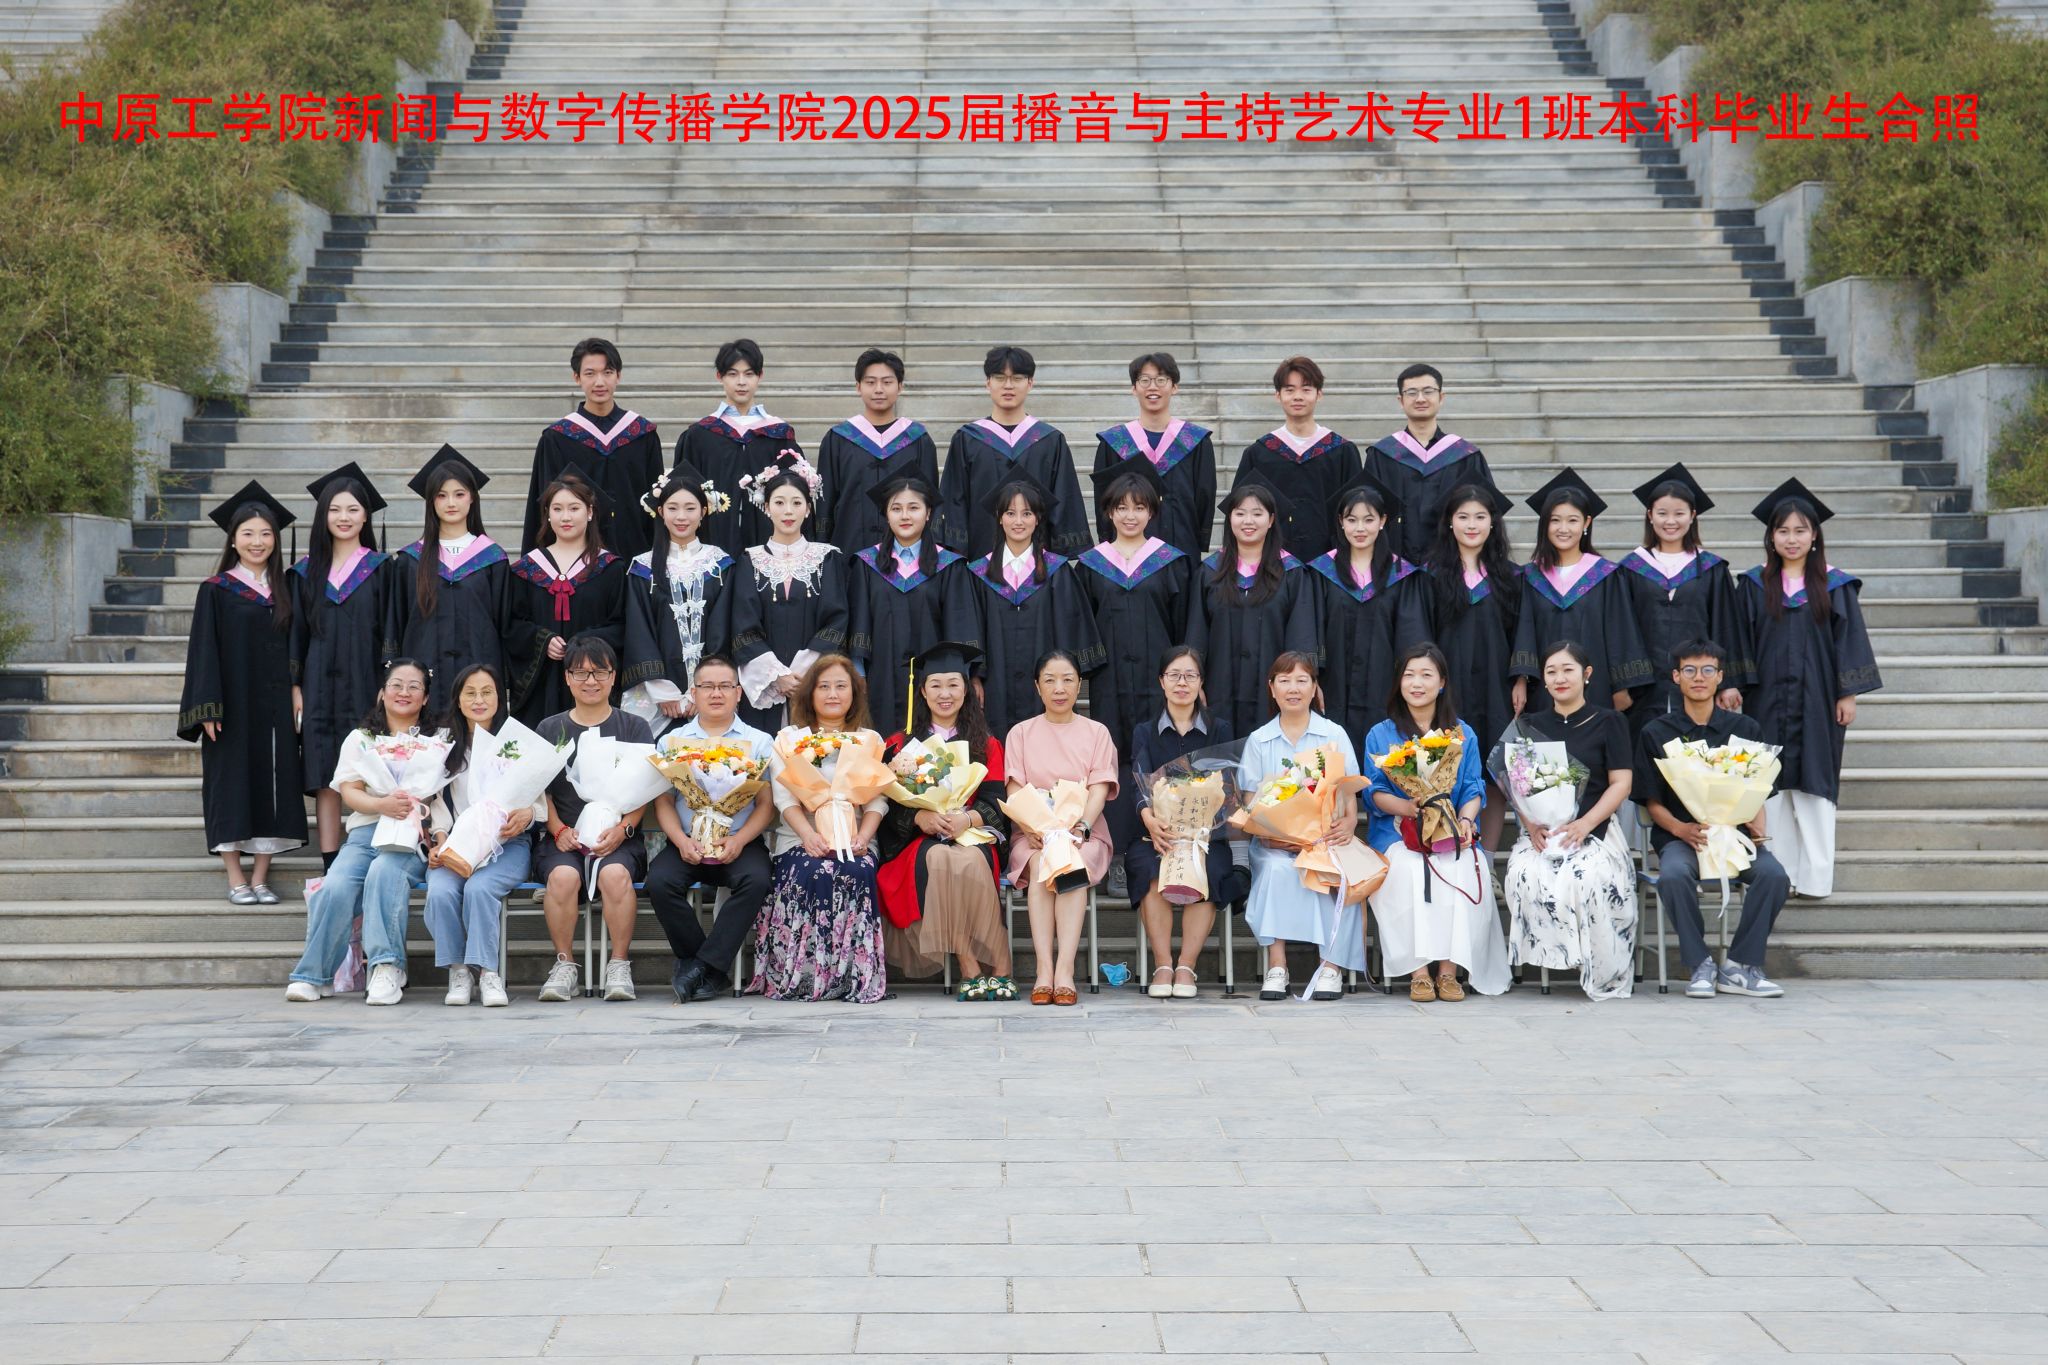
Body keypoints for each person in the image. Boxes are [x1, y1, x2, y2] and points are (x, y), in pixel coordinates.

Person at [1736, 479, 1881, 900]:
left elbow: (1849, 641)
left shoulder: (1835, 586)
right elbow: (1739, 641)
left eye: (1800, 530)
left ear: (1814, 535)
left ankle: (1816, 879)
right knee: (1770, 786)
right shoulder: (1754, 585)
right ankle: (1778, 877)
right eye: (1783, 530)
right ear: (1771, 536)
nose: (1792, 539)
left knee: (1815, 787)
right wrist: (1734, 685)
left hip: (1818, 701)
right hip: (1765, 699)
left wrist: (1847, 692)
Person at [1636, 638, 1791, 999]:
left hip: (1735, 835)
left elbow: (1758, 789)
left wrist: (1757, 826)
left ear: (1720, 676)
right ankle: (1700, 964)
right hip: (1681, 838)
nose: (1699, 677)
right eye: (1689, 670)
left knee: (1774, 876)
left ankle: (1740, 966)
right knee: (1673, 876)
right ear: (1676, 676)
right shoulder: (1656, 732)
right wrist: (1681, 829)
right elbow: (1650, 801)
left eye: (1708, 670)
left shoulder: (1745, 729)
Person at [179, 481, 307, 905]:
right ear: (233, 539)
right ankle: (236, 877)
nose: (258, 541)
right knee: (231, 784)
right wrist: (207, 707)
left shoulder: (287, 587)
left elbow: (297, 643)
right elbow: (203, 651)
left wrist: (295, 688)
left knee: (274, 783)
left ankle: (261, 877)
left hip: (275, 704)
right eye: (248, 533)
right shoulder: (216, 589)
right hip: (231, 705)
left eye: (266, 533)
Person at [284, 658, 439, 1005]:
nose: (404, 692)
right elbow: (349, 790)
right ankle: (314, 975)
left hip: (412, 835)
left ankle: (386, 967)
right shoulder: (361, 738)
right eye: (396, 685)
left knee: (385, 873)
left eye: (414, 686)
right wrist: (380, 805)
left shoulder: (438, 740)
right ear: (382, 692)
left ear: (426, 697)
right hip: (366, 832)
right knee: (336, 885)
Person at [1364, 644, 1510, 1000]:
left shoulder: (1462, 734)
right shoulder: (1380, 734)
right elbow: (1374, 792)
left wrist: (1465, 820)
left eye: (1426, 675)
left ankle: (1448, 971)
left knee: (1463, 866)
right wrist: (1407, 806)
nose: (1417, 683)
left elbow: (1473, 787)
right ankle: (1419, 972)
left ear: (1442, 682)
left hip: (1451, 830)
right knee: (1408, 870)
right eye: (1409, 675)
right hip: (1398, 831)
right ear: (1399, 682)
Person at [1076, 458, 1192, 895]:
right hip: (1109, 681)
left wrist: (1182, 675)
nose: (1130, 515)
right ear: (1108, 512)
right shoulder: (1092, 565)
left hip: (1159, 680)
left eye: (1139, 507)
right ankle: (1121, 853)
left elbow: (1183, 624)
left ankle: (1170, 845)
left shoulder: (1171, 562)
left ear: (1152, 511)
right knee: (1115, 761)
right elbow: (1082, 621)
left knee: (1160, 755)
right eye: (1121, 507)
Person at [1500, 642, 1639, 1001]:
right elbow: (1517, 785)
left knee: (1587, 877)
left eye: (1568, 670)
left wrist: (1584, 824)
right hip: (1543, 832)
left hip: (1595, 831)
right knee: (1524, 873)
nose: (1559, 678)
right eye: (1551, 672)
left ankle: (1600, 967)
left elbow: (1621, 783)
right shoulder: (1528, 725)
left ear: (1586, 674)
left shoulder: (1610, 721)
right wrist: (1530, 824)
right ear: (1543, 680)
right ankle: (1555, 956)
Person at [877, 642, 1015, 1000]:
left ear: (966, 690)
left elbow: (996, 803)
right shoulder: (900, 745)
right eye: (936, 685)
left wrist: (968, 819)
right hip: (919, 841)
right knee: (939, 858)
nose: (945, 694)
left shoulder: (986, 744)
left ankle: (1000, 963)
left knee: (969, 860)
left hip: (972, 834)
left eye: (953, 684)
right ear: (922, 691)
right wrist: (920, 816)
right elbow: (887, 806)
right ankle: (970, 965)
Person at [752, 655, 891, 1002]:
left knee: (857, 870)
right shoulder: (789, 739)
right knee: (813, 870)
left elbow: (877, 801)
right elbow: (785, 800)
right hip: (799, 837)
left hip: (856, 837)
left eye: (841, 686)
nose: (832, 694)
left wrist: (864, 836)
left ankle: (852, 976)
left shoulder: (869, 739)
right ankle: (804, 976)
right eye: (824, 686)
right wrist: (808, 836)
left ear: (854, 693)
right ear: (810, 693)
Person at [644, 655, 776, 1003]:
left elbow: (765, 805)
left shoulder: (760, 742)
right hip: (686, 843)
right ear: (694, 692)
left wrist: (740, 840)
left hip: (739, 842)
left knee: (757, 880)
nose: (716, 693)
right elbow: (664, 802)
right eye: (707, 686)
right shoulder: (672, 741)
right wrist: (680, 841)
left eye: (725, 686)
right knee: (659, 882)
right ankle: (708, 968)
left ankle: (700, 967)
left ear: (738, 693)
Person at [1239, 652, 1364, 1002]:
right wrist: (1277, 836)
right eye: (1284, 681)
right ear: (1272, 688)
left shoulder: (1333, 734)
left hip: (1328, 841)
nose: (1293, 688)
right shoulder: (1259, 740)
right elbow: (1250, 804)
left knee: (1336, 872)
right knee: (1276, 870)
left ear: (1314, 688)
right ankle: (1277, 966)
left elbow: (1348, 793)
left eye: (1301, 680)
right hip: (1274, 844)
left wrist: (1348, 823)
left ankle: (1331, 966)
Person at [289, 463, 395, 872]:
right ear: (323, 516)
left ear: (365, 516)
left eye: (352, 509)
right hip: (318, 685)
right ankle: (331, 866)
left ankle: (371, 859)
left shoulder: (382, 568)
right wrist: (296, 684)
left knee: (370, 770)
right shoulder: (304, 573)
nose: (344, 517)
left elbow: (391, 629)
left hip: (366, 681)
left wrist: (387, 681)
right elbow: (296, 633)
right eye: (335, 510)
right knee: (325, 776)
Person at [534, 636, 652, 1003]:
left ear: (613, 677)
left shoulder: (634, 727)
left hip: (619, 838)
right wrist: (558, 830)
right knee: (563, 877)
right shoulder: (550, 729)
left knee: (614, 875)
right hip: (563, 838)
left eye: (599, 672)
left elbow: (645, 790)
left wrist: (623, 830)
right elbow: (539, 791)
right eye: (581, 673)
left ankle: (618, 965)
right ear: (567, 678)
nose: (590, 681)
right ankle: (564, 965)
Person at [1128, 647, 1248, 999]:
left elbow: (1228, 788)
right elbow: (1139, 781)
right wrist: (1149, 818)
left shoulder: (1219, 729)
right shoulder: (1145, 731)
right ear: (1161, 682)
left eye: (1190, 676)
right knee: (1149, 869)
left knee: (1209, 869)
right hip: (1159, 834)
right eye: (1174, 675)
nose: (1182, 683)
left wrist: (1203, 826)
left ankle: (1186, 966)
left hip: (1206, 836)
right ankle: (1163, 964)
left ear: (1200, 682)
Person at [1004, 649, 1118, 1007]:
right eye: (1050, 680)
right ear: (1037, 687)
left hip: (1083, 833)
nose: (1059, 688)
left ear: (1079, 685)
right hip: (1033, 834)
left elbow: (1099, 787)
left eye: (1068, 680)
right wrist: (1032, 826)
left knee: (1070, 861)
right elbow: (1014, 787)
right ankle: (1044, 970)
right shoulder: (1021, 733)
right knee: (1043, 863)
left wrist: (1081, 826)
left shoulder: (1097, 732)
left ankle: (1065, 971)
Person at [421, 663, 532, 1008]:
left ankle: (488, 972)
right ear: (458, 699)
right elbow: (437, 803)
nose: (479, 700)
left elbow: (537, 800)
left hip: (507, 844)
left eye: (487, 692)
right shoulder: (444, 747)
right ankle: (459, 970)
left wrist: (527, 815)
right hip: (459, 843)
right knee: (440, 891)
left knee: (480, 889)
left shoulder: (516, 742)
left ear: (500, 698)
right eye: (470, 693)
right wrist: (440, 840)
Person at [1420, 483, 1520, 851]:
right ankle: (1445, 847)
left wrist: (1520, 677)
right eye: (1463, 517)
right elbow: (1422, 636)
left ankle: (1486, 857)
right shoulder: (1430, 576)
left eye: (1480, 517)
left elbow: (1522, 632)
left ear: (1493, 523)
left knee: (1494, 773)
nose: (1472, 525)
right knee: (1445, 768)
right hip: (1448, 688)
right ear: (1450, 522)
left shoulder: (1510, 576)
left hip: (1495, 686)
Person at [1620, 462, 1753, 737]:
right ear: (1650, 515)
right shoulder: (1631, 568)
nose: (1671, 521)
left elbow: (1725, 625)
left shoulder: (1711, 568)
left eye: (1679, 513)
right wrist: (1622, 683)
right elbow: (1621, 628)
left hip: (1700, 682)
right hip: (1644, 688)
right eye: (1662, 513)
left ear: (1692, 516)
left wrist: (1727, 681)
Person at [968, 474, 1105, 738]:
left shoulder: (1058, 571)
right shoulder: (979, 573)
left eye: (1027, 513)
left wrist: (1064, 680)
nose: (1018, 521)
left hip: (1048, 689)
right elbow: (971, 628)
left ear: (1038, 518)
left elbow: (1070, 628)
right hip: (995, 687)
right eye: (1010, 513)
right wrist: (974, 676)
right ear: (999, 518)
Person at [1509, 467, 1654, 718]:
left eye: (1572, 520)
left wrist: (1621, 686)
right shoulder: (1530, 577)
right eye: (1555, 520)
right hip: (1542, 689)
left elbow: (1619, 630)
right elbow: (1524, 631)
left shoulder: (1606, 575)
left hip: (1596, 687)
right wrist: (1521, 679)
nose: (1563, 528)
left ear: (1586, 523)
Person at [847, 472, 981, 737]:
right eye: (896, 508)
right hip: (881, 678)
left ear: (928, 513)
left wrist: (961, 679)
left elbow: (960, 624)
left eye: (913, 508)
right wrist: (859, 675)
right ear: (886, 515)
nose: (905, 516)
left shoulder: (949, 566)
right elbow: (859, 622)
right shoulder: (867, 564)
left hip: (935, 683)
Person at [1184, 483, 1317, 740]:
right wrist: (1193, 678)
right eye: (1240, 513)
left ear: (1271, 520)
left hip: (1272, 689)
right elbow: (1197, 631)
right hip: (1220, 685)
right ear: (1230, 519)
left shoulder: (1292, 573)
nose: (1248, 521)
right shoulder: (1209, 572)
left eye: (1257, 514)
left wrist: (1301, 681)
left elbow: (1301, 635)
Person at [728, 454, 851, 731]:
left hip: (816, 680)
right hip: (766, 683)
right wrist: (777, 676)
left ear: (808, 509)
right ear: (766, 507)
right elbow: (743, 626)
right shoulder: (750, 560)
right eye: (779, 503)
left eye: (796, 503)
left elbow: (836, 620)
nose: (788, 512)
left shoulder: (826, 558)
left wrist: (802, 672)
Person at [388, 445, 513, 713]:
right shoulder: (410, 561)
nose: (451, 503)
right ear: (431, 501)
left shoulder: (492, 558)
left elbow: (505, 625)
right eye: (441, 495)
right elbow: (396, 624)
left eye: (459, 494)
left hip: (479, 681)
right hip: (423, 681)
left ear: (472, 498)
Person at [938, 345, 1089, 559]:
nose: (1008, 385)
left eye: (1017, 378)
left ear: (1030, 383)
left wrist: (1057, 558)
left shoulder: (1050, 440)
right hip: (981, 560)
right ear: (988, 383)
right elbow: (955, 501)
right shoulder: (967, 439)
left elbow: (1064, 499)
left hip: (1036, 562)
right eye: (1000, 378)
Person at [1309, 477, 1431, 740]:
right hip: (1333, 685)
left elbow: (1411, 637)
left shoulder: (1401, 574)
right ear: (1341, 522)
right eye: (1352, 520)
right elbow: (1311, 627)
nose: (1360, 528)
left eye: (1368, 519)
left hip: (1384, 687)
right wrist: (1311, 675)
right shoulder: (1321, 572)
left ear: (1382, 521)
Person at [507, 467, 628, 727]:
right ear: (547, 514)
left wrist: (582, 644)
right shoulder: (526, 569)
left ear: (590, 512)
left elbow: (621, 625)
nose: (566, 517)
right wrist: (542, 640)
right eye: (557, 509)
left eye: (574, 508)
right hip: (542, 684)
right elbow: (512, 625)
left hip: (592, 678)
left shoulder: (610, 568)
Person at [622, 462, 734, 737]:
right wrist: (663, 692)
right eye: (672, 508)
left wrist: (702, 688)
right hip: (660, 697)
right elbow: (639, 631)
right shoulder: (642, 568)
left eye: (690, 508)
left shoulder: (720, 565)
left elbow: (722, 628)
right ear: (660, 512)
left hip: (710, 694)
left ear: (703, 512)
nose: (681, 516)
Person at [525, 337, 663, 559]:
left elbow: (655, 502)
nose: (600, 382)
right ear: (577, 377)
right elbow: (543, 507)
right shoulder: (557, 438)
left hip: (635, 553)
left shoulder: (641, 434)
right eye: (590, 374)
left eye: (607, 372)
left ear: (618, 376)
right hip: (574, 558)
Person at [1230, 355, 1362, 561]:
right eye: (1289, 390)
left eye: (1306, 389)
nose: (1297, 396)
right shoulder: (1259, 453)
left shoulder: (1342, 452)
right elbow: (1239, 508)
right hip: (1271, 561)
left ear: (1319, 394)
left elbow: (1358, 508)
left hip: (1331, 561)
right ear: (1278, 395)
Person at [1362, 363, 1497, 565]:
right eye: (1412, 392)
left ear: (1441, 397)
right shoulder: (1382, 454)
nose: (1420, 399)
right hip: (1394, 567)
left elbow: (1487, 511)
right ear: (1401, 400)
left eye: (1428, 391)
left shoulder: (1465, 455)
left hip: (1453, 566)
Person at [676, 338, 802, 550]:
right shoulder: (700, 435)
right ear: (720, 376)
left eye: (749, 374)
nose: (741, 382)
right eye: (733, 374)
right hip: (712, 541)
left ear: (760, 376)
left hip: (770, 541)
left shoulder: (778, 433)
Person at [814, 348, 941, 554]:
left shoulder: (918, 439)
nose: (879, 389)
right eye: (871, 382)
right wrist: (822, 548)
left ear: (900, 386)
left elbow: (930, 501)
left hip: (906, 556)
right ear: (858, 387)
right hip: (849, 551)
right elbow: (825, 502)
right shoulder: (838, 439)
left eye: (887, 382)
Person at [1091, 351, 1216, 554]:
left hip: (1182, 545)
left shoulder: (1196, 441)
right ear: (1134, 388)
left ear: (1174, 387)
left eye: (1161, 380)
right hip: (1126, 550)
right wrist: (1107, 541)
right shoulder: (1115, 442)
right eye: (1145, 380)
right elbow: (1103, 499)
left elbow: (1204, 497)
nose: (1152, 387)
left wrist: (1198, 541)